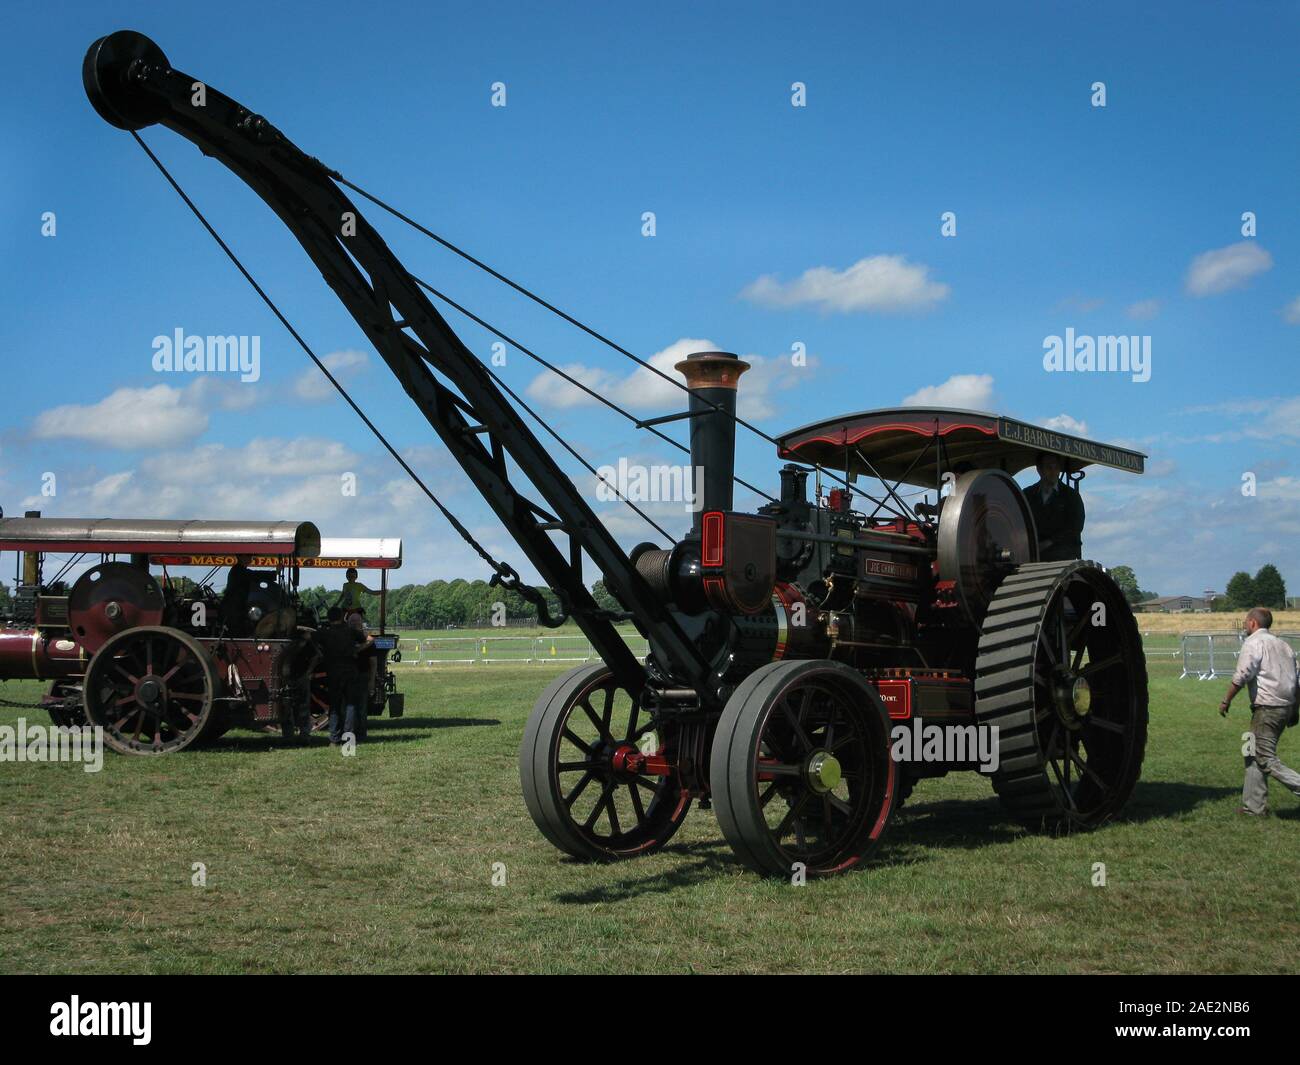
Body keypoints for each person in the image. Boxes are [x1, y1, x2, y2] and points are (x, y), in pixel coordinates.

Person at [1219, 607, 1300, 816]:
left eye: (1247, 622)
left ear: (1253, 623)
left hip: (1267, 708)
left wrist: (1226, 700)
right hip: (1285, 706)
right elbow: (1296, 679)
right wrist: (1295, 710)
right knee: (1250, 750)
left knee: (1264, 757)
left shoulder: (1253, 643)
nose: (1246, 625)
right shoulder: (1283, 645)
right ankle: (1254, 807)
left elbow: (1242, 675)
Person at [314, 606, 368, 746]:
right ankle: (349, 739)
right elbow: (363, 639)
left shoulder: (324, 633)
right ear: (341, 617)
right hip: (350, 671)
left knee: (334, 707)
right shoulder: (350, 631)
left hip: (333, 673)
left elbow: (312, 638)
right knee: (351, 705)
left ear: (329, 618)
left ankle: (334, 738)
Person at [1025, 452, 1085, 562]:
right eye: (1049, 468)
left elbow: (1075, 527)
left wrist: (1048, 542)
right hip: (1033, 553)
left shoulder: (1071, 496)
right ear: (1039, 470)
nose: (1053, 472)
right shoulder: (1027, 494)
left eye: (1056, 468)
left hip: (1063, 554)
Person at [222, 557, 254, 636]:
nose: (251, 558)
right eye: (248, 555)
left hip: (236, 605)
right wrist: (274, 573)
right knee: (237, 626)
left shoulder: (238, 569)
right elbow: (254, 575)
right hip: (234, 608)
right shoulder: (238, 570)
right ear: (241, 557)